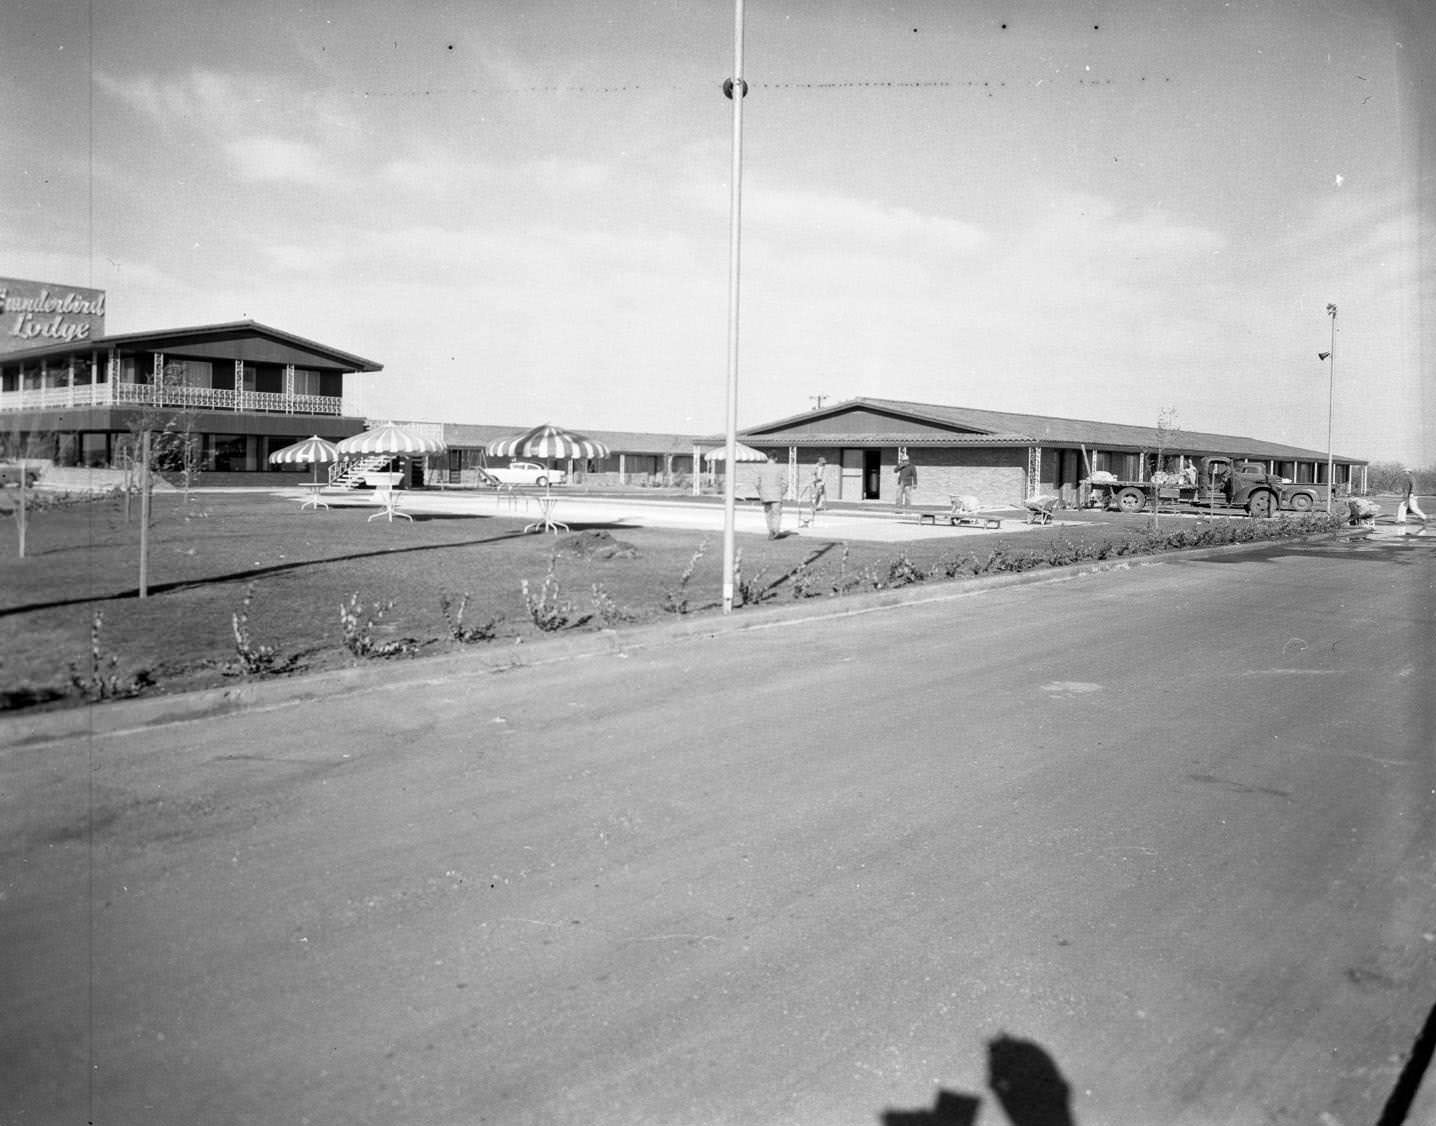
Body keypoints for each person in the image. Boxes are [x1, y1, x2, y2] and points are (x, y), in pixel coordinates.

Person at [756, 453, 788, 538]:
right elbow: (785, 482)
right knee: (776, 514)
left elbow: (757, 483)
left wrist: (760, 492)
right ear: (776, 458)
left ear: (768, 458)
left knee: (768, 514)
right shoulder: (781, 468)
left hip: (765, 494)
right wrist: (782, 492)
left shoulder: (761, 468)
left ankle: (770, 530)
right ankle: (775, 530)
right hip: (777, 494)